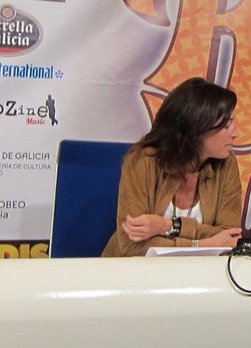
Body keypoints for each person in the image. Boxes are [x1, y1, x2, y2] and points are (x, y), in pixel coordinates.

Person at [102, 77, 243, 256]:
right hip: (137, 270)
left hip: (200, 271)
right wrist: (204, 244)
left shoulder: (226, 164)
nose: (236, 133)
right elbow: (132, 246)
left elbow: (229, 237)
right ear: (196, 128)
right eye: (227, 125)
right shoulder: (142, 162)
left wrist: (166, 226)